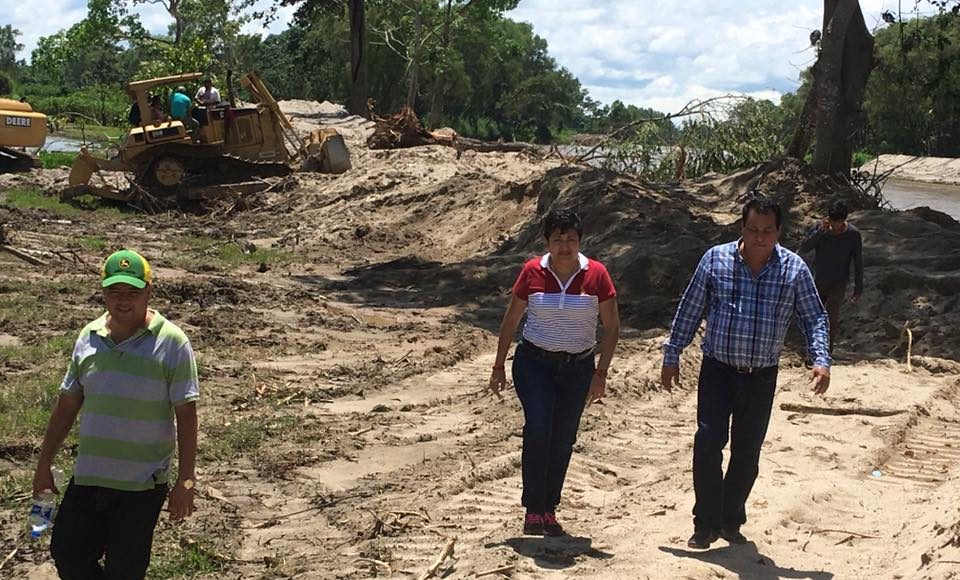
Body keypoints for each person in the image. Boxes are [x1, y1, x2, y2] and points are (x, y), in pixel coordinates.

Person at [661, 197, 830, 550]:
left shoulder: (794, 270)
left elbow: (814, 316)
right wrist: (672, 352)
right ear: (742, 228)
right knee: (708, 442)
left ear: (779, 231)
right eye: (753, 229)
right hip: (718, 369)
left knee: (747, 450)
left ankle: (730, 519)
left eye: (767, 231)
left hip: (761, 375)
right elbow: (691, 307)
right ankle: (705, 524)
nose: (759, 238)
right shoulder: (715, 260)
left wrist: (820, 359)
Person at [32, 249, 199, 579]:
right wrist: (43, 465)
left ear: (149, 292)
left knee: (125, 570)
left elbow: (187, 415)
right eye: (115, 291)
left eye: (132, 292)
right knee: (67, 553)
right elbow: (66, 406)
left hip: (141, 485)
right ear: (104, 292)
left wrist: (186, 480)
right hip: (89, 476)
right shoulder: (89, 337)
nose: (123, 300)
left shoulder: (173, 343)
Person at [489, 208, 620, 537]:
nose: (565, 246)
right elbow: (511, 320)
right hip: (534, 364)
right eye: (558, 239)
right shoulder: (532, 271)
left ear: (580, 241)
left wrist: (601, 373)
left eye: (571, 239)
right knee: (539, 428)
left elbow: (612, 327)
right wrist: (498, 366)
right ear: (547, 242)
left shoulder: (597, 275)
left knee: (563, 437)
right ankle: (533, 510)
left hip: (578, 369)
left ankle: (549, 508)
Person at [799, 199, 864, 352]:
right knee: (814, 317)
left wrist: (858, 287)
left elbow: (858, 261)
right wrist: (820, 232)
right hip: (818, 280)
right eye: (833, 221)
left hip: (838, 283)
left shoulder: (853, 234)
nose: (835, 226)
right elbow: (805, 247)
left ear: (844, 220)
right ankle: (812, 350)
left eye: (838, 222)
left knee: (830, 318)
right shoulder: (819, 228)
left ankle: (826, 352)